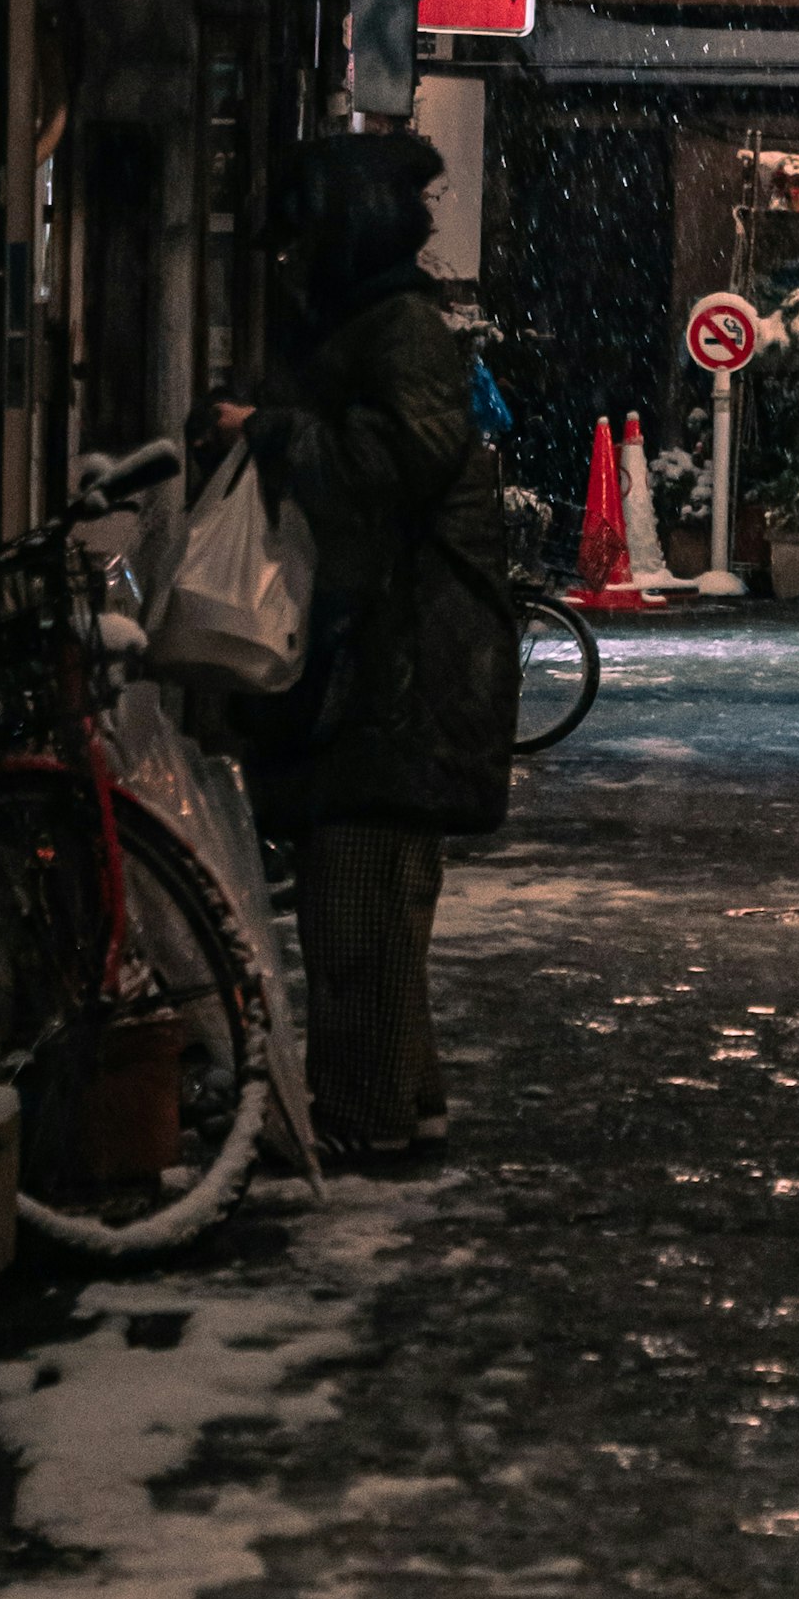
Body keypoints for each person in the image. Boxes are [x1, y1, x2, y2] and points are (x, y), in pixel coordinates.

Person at [223, 127, 520, 1171]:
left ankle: (365, 1113)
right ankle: (403, 1098)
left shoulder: (393, 330)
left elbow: (390, 466)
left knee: (360, 901)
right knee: (379, 902)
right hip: (405, 665)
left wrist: (271, 431)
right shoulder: (391, 320)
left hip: (398, 672)